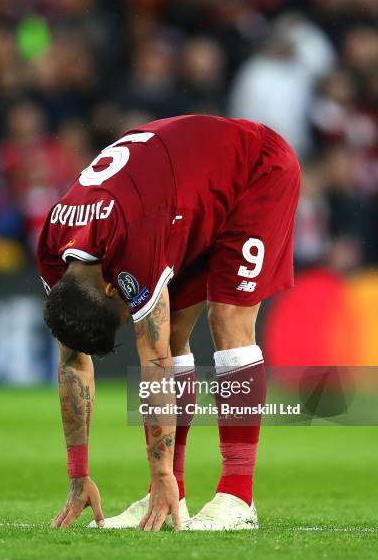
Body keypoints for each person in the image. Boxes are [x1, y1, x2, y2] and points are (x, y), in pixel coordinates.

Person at [37, 114, 300, 531]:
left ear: (110, 287)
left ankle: (237, 495)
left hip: (253, 169)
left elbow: (153, 360)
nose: (132, 315)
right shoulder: (55, 250)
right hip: (181, 198)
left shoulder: (131, 239)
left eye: (123, 310)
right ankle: (170, 494)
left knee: (227, 318)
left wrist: (158, 473)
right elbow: (73, 361)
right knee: (174, 331)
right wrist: (78, 473)